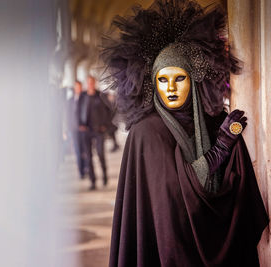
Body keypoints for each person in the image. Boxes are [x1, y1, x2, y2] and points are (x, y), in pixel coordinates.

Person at [101, 0, 269, 266]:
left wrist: (227, 143)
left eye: (179, 78)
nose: (170, 88)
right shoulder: (146, 133)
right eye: (162, 80)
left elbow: (230, 191)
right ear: (153, 84)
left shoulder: (213, 122)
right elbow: (177, 195)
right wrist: (223, 146)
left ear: (192, 79)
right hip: (167, 249)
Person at [77, 76, 109, 190]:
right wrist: (79, 124)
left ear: (94, 83)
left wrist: (105, 125)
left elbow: (109, 110)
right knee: (89, 157)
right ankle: (93, 181)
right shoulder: (83, 96)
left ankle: (105, 176)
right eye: (88, 82)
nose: (90, 84)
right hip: (86, 130)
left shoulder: (100, 95)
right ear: (87, 83)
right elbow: (78, 110)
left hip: (99, 130)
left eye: (92, 82)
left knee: (100, 154)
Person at [65, 81, 86, 179]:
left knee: (85, 150)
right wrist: (67, 129)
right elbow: (67, 116)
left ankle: (86, 168)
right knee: (78, 151)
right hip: (73, 129)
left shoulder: (85, 98)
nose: (78, 89)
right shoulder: (69, 100)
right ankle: (81, 172)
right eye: (77, 87)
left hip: (84, 129)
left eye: (80, 87)